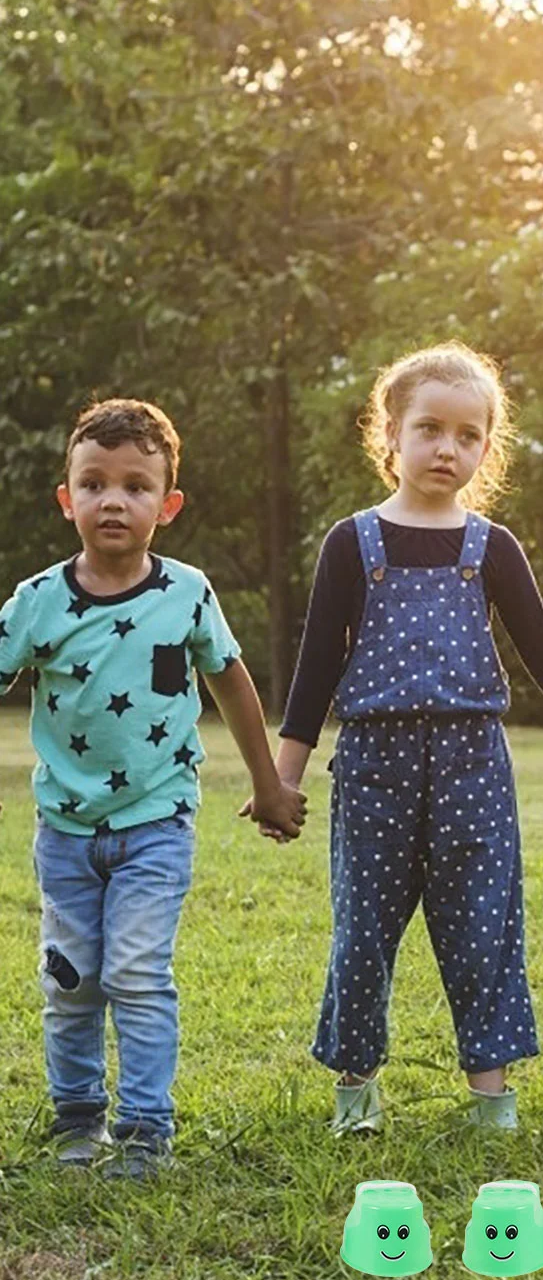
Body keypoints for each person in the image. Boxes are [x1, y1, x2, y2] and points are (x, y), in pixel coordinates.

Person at [274, 341, 543, 1135]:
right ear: (391, 437)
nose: (448, 448)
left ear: (487, 446)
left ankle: (490, 1098)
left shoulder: (492, 548)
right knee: (363, 930)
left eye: (468, 435)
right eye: (430, 429)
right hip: (375, 763)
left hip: (473, 764)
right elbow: (311, 675)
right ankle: (357, 1092)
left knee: (482, 926)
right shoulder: (352, 544)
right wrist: (283, 780)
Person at [0, 398, 306, 1178]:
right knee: (70, 980)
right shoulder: (38, 603)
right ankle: (77, 1120)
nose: (114, 500)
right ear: (67, 499)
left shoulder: (186, 594)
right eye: (94, 484)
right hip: (65, 832)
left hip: (157, 824)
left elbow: (232, 684)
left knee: (136, 973)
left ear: (165, 506)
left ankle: (144, 1131)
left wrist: (270, 787)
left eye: (136, 486)